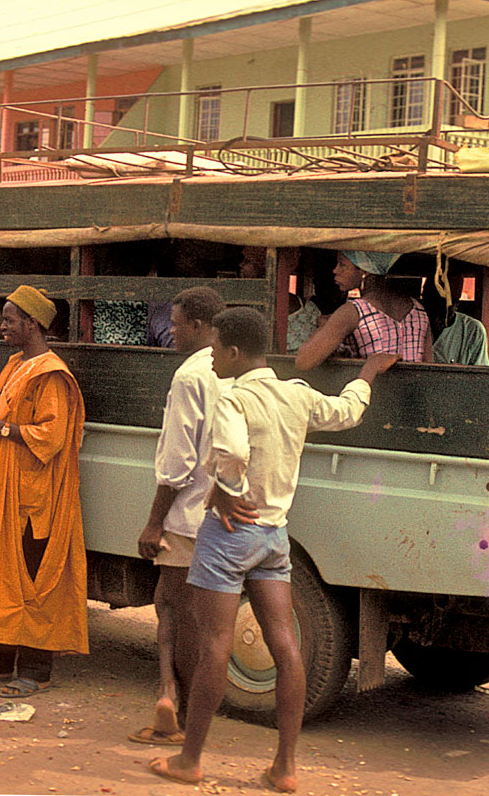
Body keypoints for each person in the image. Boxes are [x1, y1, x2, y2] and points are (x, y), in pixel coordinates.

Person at [148, 307, 399, 793]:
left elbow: (233, 453)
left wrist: (225, 486)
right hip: (273, 537)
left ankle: (190, 760)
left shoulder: (233, 399)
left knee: (213, 647)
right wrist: (366, 373)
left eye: (217, 348)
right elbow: (346, 412)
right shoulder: (295, 395)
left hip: (228, 534)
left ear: (235, 352)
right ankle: (284, 767)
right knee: (285, 646)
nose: (212, 357)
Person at [0, 285, 87, 696]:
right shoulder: (15, 365)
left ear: (33, 323)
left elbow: (53, 435)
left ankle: (36, 670)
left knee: (31, 581)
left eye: (9, 318)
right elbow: (4, 417)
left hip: (34, 497)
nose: (1, 324)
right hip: (2, 491)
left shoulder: (51, 374)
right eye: (2, 317)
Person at [130, 286, 227, 747]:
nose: (172, 330)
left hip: (189, 514)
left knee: (175, 607)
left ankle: (175, 705)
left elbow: (176, 463)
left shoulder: (190, 376)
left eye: (178, 322)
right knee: (198, 613)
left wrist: (154, 523)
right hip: (227, 511)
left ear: (199, 326)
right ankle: (174, 698)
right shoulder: (233, 369)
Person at [295, 250, 432, 370]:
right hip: (414, 396)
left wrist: (324, 326)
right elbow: (428, 363)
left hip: (372, 394)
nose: (335, 270)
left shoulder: (353, 311)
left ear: (364, 271)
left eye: (343, 264)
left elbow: (303, 362)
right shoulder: (418, 310)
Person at [421, 266, 489, 366]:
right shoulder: (413, 324)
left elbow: (480, 376)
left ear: (456, 305)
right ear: (424, 300)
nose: (436, 317)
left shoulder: (473, 331)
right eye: (432, 305)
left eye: (444, 308)